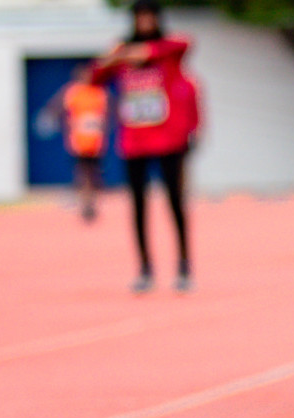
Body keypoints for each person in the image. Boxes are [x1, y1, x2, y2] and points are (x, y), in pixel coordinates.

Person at [93, 0, 199, 293]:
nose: (145, 22)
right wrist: (114, 56)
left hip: (168, 139)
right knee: (138, 206)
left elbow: (186, 44)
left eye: (149, 16)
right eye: (140, 17)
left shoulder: (168, 49)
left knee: (175, 202)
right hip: (135, 141)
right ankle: (145, 268)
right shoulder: (123, 54)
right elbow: (94, 77)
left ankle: (184, 265)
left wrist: (147, 51)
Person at [39, 62, 109, 223]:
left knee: (94, 174)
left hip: (96, 142)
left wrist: (104, 132)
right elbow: (56, 107)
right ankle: (85, 204)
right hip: (78, 141)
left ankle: (92, 202)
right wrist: (51, 119)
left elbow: (106, 115)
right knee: (82, 173)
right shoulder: (72, 92)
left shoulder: (99, 92)